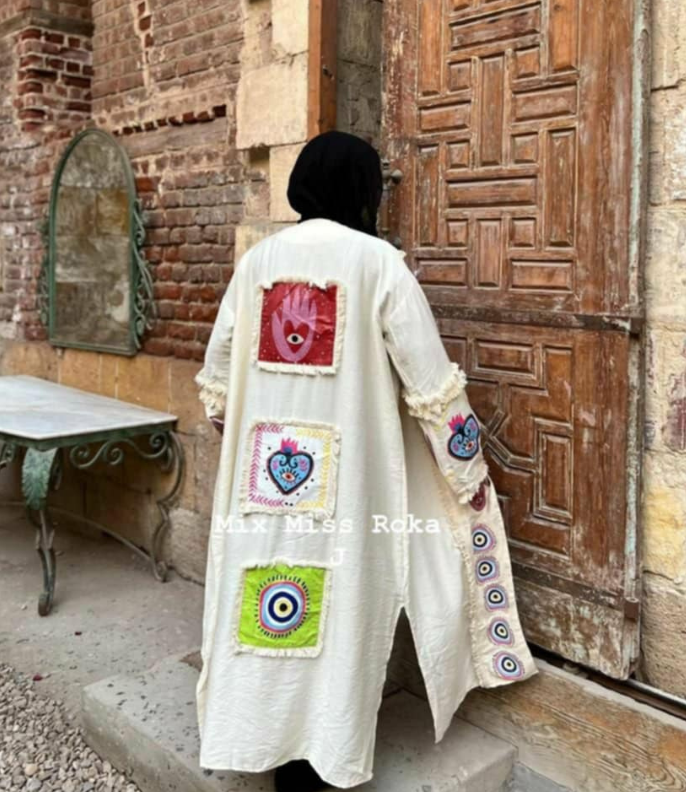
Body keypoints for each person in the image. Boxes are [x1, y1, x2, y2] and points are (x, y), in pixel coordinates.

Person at [194, 130, 537, 792]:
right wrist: (466, 471)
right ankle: (327, 753)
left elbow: (216, 386)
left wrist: (254, 437)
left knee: (268, 603)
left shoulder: (257, 264)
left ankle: (271, 749)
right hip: (350, 488)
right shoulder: (378, 264)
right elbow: (432, 386)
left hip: (265, 484)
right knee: (341, 607)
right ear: (364, 190)